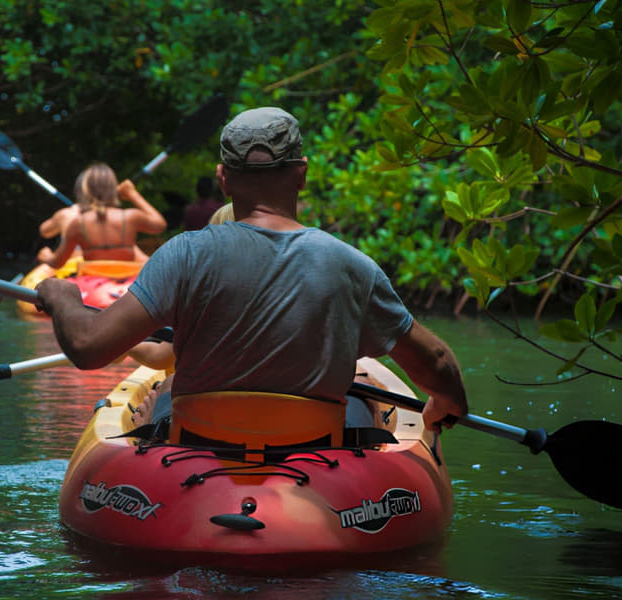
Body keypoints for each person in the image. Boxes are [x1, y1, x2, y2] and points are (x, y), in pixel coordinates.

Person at [36, 107, 467, 431]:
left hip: (199, 451)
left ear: (224, 178)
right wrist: (446, 399)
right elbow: (438, 360)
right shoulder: (353, 266)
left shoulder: (181, 255)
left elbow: (89, 348)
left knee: (162, 403)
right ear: (301, 174)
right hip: (313, 455)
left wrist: (64, 298)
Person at [37, 163, 166, 268]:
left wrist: (46, 257)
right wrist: (132, 194)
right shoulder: (129, 217)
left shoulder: (77, 223)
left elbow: (57, 263)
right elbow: (160, 225)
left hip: (93, 281)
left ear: (83, 191)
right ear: (113, 190)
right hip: (127, 279)